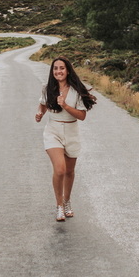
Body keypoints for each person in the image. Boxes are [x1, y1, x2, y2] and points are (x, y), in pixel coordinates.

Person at [35, 57, 96, 222]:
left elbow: (82, 116)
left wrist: (66, 106)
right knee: (60, 169)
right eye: (55, 68)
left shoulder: (76, 90)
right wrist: (40, 113)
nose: (58, 71)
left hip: (71, 131)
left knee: (69, 171)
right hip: (53, 130)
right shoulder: (48, 88)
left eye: (61, 68)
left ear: (67, 70)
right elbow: (43, 103)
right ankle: (59, 206)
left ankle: (67, 201)